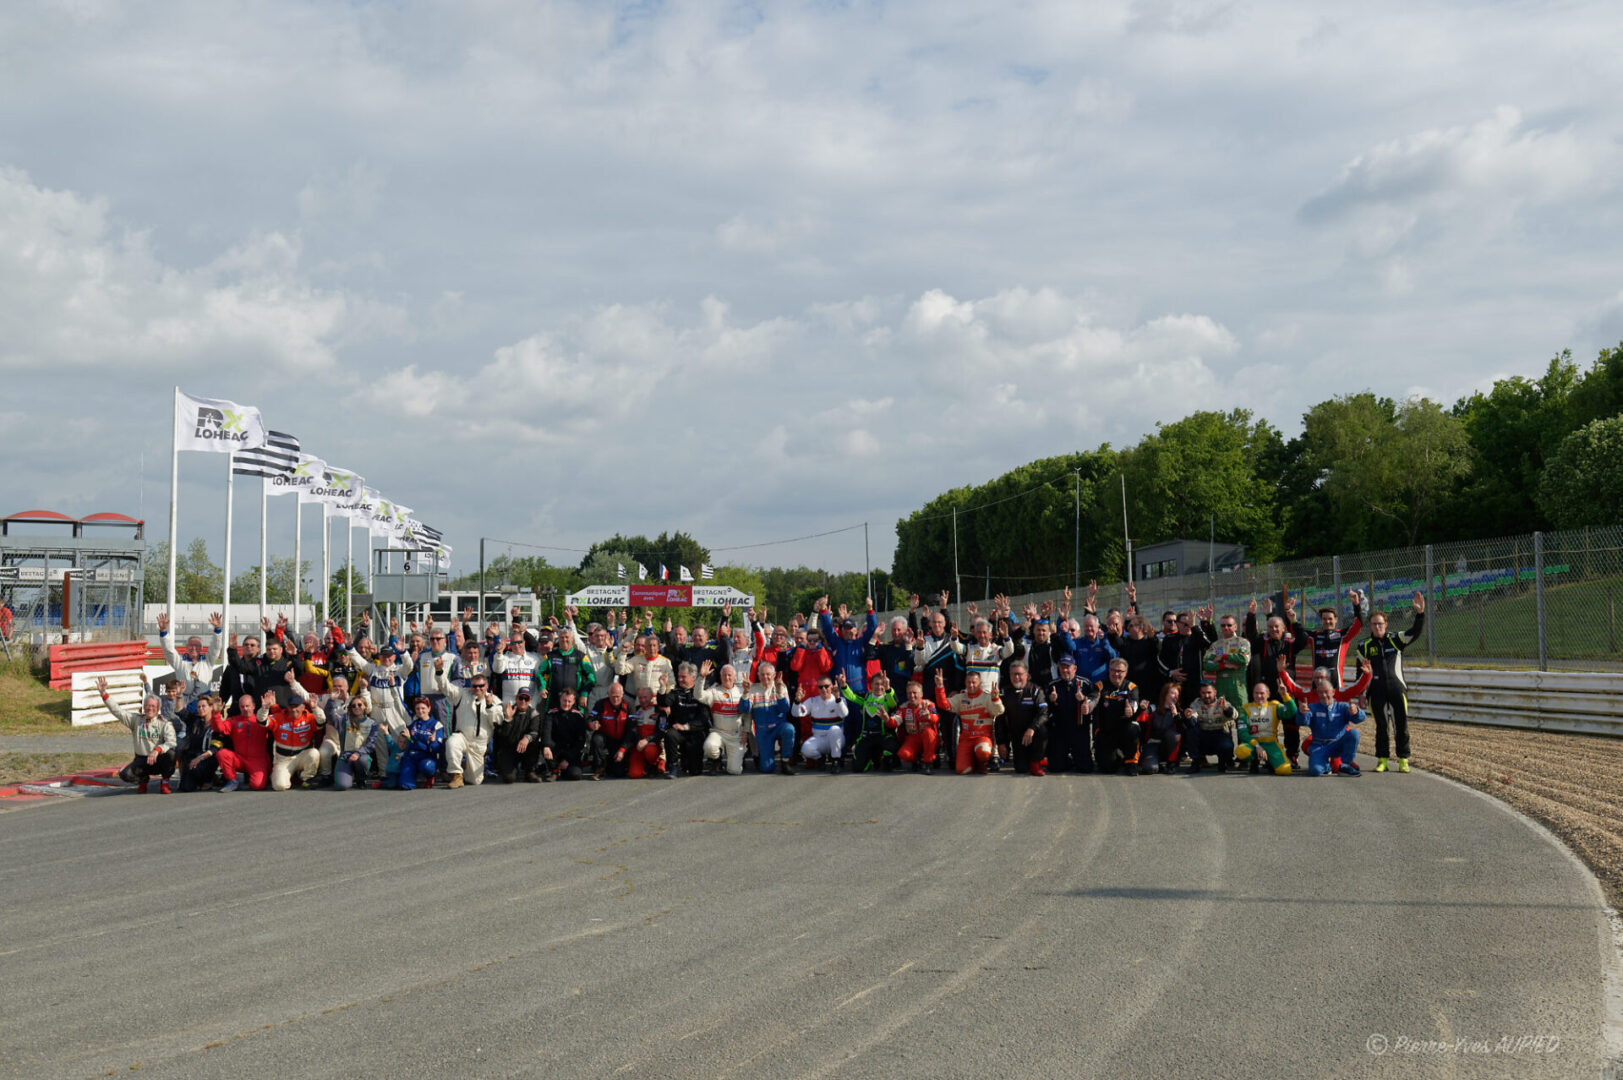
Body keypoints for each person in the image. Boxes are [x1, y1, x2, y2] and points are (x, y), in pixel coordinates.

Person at [1356, 592, 1426, 773]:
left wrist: (1420, 615)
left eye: (1380, 623)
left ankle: (1403, 759)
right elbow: (1359, 673)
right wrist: (1361, 694)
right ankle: (1382, 760)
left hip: (1397, 689)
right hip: (1375, 691)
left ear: (1386, 624)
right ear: (1370, 626)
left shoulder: (1396, 639)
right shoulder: (1363, 646)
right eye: (1374, 624)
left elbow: (1414, 633)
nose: (1377, 626)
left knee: (1401, 725)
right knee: (1381, 727)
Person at [1244, 595, 1307, 765]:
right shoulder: (1262, 641)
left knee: (1291, 724)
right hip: (1268, 691)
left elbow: (1303, 638)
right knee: (1264, 724)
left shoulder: (1291, 642)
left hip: (1287, 690)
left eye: (1277, 627)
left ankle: (1292, 755)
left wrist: (1293, 619)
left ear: (1283, 627)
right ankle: (1263, 756)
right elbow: (1250, 635)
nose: (1273, 630)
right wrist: (1251, 615)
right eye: (1270, 627)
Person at [96, 677, 177, 794]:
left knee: (172, 754)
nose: (150, 708)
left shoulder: (165, 723)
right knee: (125, 775)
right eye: (147, 706)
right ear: (144, 707)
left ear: (158, 709)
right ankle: (143, 780)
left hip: (159, 759)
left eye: (153, 706)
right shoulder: (136, 720)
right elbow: (118, 711)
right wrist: (103, 693)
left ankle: (165, 782)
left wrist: (157, 750)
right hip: (142, 759)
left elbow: (172, 742)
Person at [1287, 671, 1365, 777]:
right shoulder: (1313, 708)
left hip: (1337, 744)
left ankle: (1345, 765)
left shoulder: (1342, 707)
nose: (1324, 695)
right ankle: (1325, 765)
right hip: (1320, 746)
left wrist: (1356, 712)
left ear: (1333, 692)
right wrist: (1301, 713)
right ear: (1317, 694)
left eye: (1326, 692)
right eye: (1320, 692)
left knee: (1354, 734)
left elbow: (1360, 719)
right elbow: (1302, 722)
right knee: (1315, 771)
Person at [439, 663, 503, 788]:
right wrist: (439, 672)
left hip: (479, 744)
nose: (478, 689)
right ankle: (456, 775)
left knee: (475, 781)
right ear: (471, 686)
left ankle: (464, 767)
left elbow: (497, 722)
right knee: (451, 742)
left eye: (481, 686)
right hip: (463, 737)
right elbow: (445, 687)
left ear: (487, 686)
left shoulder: (495, 700)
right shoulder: (462, 694)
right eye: (475, 686)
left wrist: (489, 706)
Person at [934, 668, 1003, 775]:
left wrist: (995, 699)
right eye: (968, 682)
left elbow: (999, 711)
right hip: (966, 739)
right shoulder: (960, 698)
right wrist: (939, 686)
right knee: (962, 770)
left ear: (980, 683)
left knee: (983, 752)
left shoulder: (987, 697)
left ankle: (982, 763)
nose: (971, 685)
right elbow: (944, 704)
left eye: (974, 682)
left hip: (983, 737)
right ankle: (973, 761)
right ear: (965, 683)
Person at [266, 671, 325, 790]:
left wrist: (315, 708)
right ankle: (289, 776)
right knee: (279, 786)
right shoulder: (279, 716)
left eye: (297, 706)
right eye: (291, 706)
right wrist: (264, 708)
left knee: (314, 753)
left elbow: (321, 722)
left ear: (303, 707)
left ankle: (306, 778)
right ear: (287, 707)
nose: (294, 710)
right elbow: (262, 722)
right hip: (283, 759)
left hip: (302, 755)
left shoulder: (309, 716)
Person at [1088, 658, 1147, 776]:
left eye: (1120, 671)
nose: (1116, 674)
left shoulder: (1131, 686)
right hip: (1107, 731)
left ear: (1126, 672)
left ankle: (1132, 762)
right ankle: (1119, 757)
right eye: (1113, 670)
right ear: (1109, 671)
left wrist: (1131, 709)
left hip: (1125, 730)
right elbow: (1093, 699)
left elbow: (1133, 702)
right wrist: (1087, 706)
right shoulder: (1100, 685)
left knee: (1133, 728)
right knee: (1107, 768)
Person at [157, 611, 224, 708]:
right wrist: (163, 631)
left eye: (197, 646)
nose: (194, 648)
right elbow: (168, 650)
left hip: (205, 699)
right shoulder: (179, 661)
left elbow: (216, 647)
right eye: (191, 645)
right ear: (187, 647)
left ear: (201, 648)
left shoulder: (208, 661)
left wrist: (217, 629)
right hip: (185, 700)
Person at [692, 661, 748, 775]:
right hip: (719, 732)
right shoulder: (714, 691)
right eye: (724, 675)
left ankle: (734, 756)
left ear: (734, 677)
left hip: (736, 735)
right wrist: (701, 677)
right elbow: (698, 695)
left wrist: (746, 731)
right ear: (720, 676)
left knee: (734, 771)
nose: (727, 678)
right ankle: (717, 758)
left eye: (729, 675)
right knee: (709, 747)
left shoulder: (741, 691)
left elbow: (748, 714)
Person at [742, 663, 796, 776]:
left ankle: (785, 761)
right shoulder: (753, 689)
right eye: (762, 675)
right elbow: (744, 709)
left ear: (774, 675)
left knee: (789, 729)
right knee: (766, 768)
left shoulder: (781, 687)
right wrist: (746, 692)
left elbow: (785, 709)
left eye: (768, 674)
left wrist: (779, 692)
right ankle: (765, 759)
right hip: (763, 731)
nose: (765, 677)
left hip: (779, 727)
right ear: (758, 675)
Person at [659, 663, 711, 778]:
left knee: (695, 770)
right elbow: (664, 702)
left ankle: (687, 761)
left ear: (693, 677)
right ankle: (673, 766)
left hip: (695, 732)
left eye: (683, 677)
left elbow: (703, 719)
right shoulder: (675, 692)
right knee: (670, 735)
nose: (680, 680)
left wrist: (686, 726)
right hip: (678, 732)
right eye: (679, 677)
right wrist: (662, 686)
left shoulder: (700, 693)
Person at [214, 693, 274, 792]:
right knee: (222, 754)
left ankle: (264, 774)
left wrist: (272, 707)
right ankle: (233, 781)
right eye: (242, 707)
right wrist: (216, 714)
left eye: (247, 706)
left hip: (258, 760)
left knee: (257, 786)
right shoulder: (233, 720)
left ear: (254, 706)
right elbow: (219, 728)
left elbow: (277, 724)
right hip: (240, 759)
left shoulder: (262, 720)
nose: (245, 709)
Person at [818, 597, 878, 694]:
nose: (848, 631)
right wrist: (823, 610)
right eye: (845, 628)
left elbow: (872, 629)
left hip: (860, 691)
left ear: (856, 630)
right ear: (841, 630)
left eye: (850, 628)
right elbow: (828, 630)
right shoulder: (837, 643)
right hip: (841, 692)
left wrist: (870, 610)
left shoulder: (861, 642)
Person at [842, 671, 898, 773]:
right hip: (867, 737)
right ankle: (872, 757)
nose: (879, 687)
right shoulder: (867, 696)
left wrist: (888, 687)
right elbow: (852, 697)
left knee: (889, 763)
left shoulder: (888, 696)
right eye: (876, 684)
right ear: (871, 685)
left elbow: (893, 704)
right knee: (858, 768)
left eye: (882, 684)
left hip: (883, 736)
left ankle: (884, 759)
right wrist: (844, 685)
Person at [320, 694, 379, 790]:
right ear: (350, 708)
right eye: (353, 705)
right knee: (342, 786)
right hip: (346, 755)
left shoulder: (372, 723)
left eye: (359, 705)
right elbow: (330, 716)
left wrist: (358, 753)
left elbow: (371, 744)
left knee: (362, 760)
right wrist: (331, 700)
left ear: (365, 706)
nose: (357, 707)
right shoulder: (344, 720)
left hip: (361, 755)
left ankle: (361, 779)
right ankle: (349, 775)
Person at [1001, 661, 1050, 777]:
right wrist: (1001, 742)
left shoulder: (1036, 690)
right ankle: (1035, 759)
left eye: (1019, 674)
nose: (1016, 677)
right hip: (1017, 736)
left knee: (1043, 730)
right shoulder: (1004, 692)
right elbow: (1000, 719)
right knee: (1021, 769)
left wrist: (1032, 728)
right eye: (1013, 674)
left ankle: (1036, 762)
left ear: (1026, 675)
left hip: (1033, 733)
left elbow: (1044, 713)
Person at [1236, 682, 1295, 776]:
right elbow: (1242, 732)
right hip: (1253, 744)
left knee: (1285, 770)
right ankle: (1253, 761)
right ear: (1253, 694)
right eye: (1256, 693)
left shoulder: (1275, 706)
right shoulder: (1245, 708)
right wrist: (1257, 746)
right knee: (1241, 751)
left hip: (1271, 743)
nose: (1259, 696)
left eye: (1262, 693)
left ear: (1268, 694)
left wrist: (1285, 695)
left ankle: (1270, 761)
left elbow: (1291, 712)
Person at [1309, 590, 1364, 690]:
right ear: (1321, 620)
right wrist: (1288, 613)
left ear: (1336, 619)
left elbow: (1359, 624)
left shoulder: (1343, 635)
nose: (1327, 621)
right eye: (1324, 619)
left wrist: (1356, 604)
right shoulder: (1314, 636)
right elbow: (1297, 631)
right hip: (1317, 687)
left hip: (1337, 686)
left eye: (1330, 619)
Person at [1046, 653, 1091, 773]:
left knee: (1085, 768)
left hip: (1079, 728)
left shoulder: (1085, 684)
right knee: (1055, 768)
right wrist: (1051, 700)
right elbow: (1046, 709)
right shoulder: (1053, 685)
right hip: (1060, 729)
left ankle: (1077, 757)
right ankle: (1067, 759)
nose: (1065, 670)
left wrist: (1083, 700)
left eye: (1068, 667)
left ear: (1075, 668)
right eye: (1062, 667)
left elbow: (1092, 703)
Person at [794, 675, 850, 771]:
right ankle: (821, 759)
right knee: (805, 749)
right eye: (820, 687)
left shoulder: (840, 700)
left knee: (834, 730)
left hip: (837, 739)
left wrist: (837, 698)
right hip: (820, 739)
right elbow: (796, 713)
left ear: (832, 687)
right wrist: (797, 701)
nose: (824, 689)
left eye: (826, 686)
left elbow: (844, 714)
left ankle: (836, 760)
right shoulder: (812, 701)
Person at [1184, 681, 1239, 773]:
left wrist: (1225, 708)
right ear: (1200, 693)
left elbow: (1234, 716)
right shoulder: (1196, 703)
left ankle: (1223, 762)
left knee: (1227, 746)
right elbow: (1193, 720)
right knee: (1191, 732)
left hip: (1219, 733)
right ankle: (1196, 763)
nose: (1206, 696)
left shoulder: (1222, 702)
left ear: (1215, 692)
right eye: (1203, 693)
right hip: (1204, 736)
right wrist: (1189, 716)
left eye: (1209, 692)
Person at [492, 688, 544, 783]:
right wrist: (508, 720)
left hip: (526, 749)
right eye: (521, 698)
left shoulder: (534, 713)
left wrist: (527, 738)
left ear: (530, 701)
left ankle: (530, 771)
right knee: (509, 779)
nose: (523, 701)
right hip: (510, 748)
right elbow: (502, 736)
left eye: (526, 699)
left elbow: (535, 731)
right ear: (516, 698)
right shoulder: (507, 711)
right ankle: (506, 768)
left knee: (536, 742)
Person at [1203, 613, 1251, 712]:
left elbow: (1243, 659)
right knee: (1222, 717)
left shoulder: (1243, 642)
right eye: (1223, 625)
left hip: (1237, 686)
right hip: (1221, 686)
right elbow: (1206, 664)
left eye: (1229, 625)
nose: (1226, 628)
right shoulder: (1216, 645)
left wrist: (1222, 656)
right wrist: (1224, 665)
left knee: (1241, 718)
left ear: (1235, 627)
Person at [540, 686, 589, 781]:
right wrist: (546, 747)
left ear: (574, 702)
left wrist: (568, 759)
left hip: (571, 751)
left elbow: (580, 741)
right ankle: (554, 770)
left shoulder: (579, 716)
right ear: (560, 699)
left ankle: (562, 769)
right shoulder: (551, 714)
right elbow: (546, 732)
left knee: (575, 775)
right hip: (556, 750)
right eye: (564, 700)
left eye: (569, 701)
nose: (566, 704)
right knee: (545, 744)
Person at [395, 698, 445, 790]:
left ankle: (430, 777)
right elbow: (405, 735)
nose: (420, 711)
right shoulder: (413, 723)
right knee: (405, 786)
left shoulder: (436, 725)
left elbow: (436, 748)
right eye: (417, 708)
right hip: (411, 757)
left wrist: (432, 742)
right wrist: (402, 736)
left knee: (426, 767)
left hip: (427, 757)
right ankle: (412, 775)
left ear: (429, 708)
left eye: (423, 708)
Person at [891, 679, 940, 774]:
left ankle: (928, 762)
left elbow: (936, 718)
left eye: (914, 693)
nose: (912, 696)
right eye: (909, 693)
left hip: (929, 738)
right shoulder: (903, 707)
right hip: (913, 738)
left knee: (928, 732)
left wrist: (929, 716)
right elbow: (894, 722)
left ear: (921, 694)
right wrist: (887, 719)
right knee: (903, 755)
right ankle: (917, 759)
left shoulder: (929, 704)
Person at [587, 681, 633, 779]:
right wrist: (592, 725)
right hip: (605, 738)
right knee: (596, 739)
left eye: (618, 696)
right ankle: (598, 767)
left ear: (622, 694)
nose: (615, 699)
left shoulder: (629, 705)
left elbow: (632, 731)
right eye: (613, 696)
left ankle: (609, 764)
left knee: (618, 773)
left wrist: (622, 750)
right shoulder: (600, 704)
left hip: (621, 741)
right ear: (608, 694)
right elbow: (589, 720)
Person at [544, 625, 597, 709]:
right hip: (554, 701)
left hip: (574, 702)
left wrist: (584, 694)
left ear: (572, 638)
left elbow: (591, 678)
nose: (564, 640)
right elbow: (540, 674)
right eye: (562, 637)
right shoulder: (550, 656)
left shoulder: (581, 656)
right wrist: (542, 688)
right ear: (558, 639)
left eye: (567, 637)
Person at [624, 687, 669, 779]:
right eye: (640, 698)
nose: (643, 700)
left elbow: (661, 732)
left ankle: (655, 763)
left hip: (652, 745)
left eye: (645, 697)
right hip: (638, 746)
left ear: (652, 697)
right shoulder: (634, 711)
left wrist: (647, 740)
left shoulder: (660, 712)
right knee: (634, 774)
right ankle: (643, 766)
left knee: (650, 751)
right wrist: (638, 741)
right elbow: (630, 730)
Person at [1139, 683, 1183, 774]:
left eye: (1177, 695)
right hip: (1152, 744)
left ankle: (1171, 763)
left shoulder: (1179, 712)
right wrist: (1142, 710)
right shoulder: (1153, 708)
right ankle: (1155, 763)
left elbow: (1182, 731)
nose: (1175, 696)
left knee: (1174, 735)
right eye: (1173, 693)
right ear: (1165, 694)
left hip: (1167, 748)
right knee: (1150, 769)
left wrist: (1176, 715)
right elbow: (1141, 721)